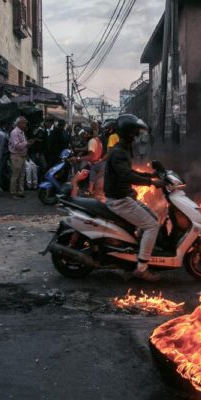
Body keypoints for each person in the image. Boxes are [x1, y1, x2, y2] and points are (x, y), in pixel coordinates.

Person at [104, 114, 163, 281]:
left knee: (154, 218)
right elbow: (127, 175)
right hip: (119, 201)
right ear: (129, 134)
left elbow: (129, 172)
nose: (138, 137)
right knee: (152, 226)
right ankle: (141, 269)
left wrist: (150, 175)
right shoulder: (118, 153)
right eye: (136, 133)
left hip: (125, 198)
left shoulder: (122, 150)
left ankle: (139, 252)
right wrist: (151, 182)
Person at [8, 116, 38, 199]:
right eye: (24, 122)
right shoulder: (14, 132)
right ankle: (13, 193)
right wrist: (27, 143)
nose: (25, 124)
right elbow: (17, 145)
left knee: (21, 175)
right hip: (16, 155)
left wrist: (27, 143)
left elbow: (22, 144)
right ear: (19, 123)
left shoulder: (22, 132)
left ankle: (20, 191)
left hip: (22, 155)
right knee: (15, 175)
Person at [69, 126, 103, 198]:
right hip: (96, 164)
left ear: (88, 134)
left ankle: (74, 198)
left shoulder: (91, 141)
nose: (82, 136)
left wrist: (77, 158)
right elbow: (87, 149)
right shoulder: (96, 139)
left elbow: (90, 156)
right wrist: (79, 150)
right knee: (89, 183)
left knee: (75, 180)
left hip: (93, 164)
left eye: (84, 134)